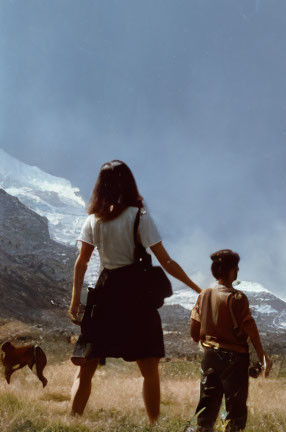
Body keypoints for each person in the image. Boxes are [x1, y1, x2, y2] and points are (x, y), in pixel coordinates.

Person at [68, 160, 201, 423]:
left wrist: (74, 302)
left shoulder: (93, 220)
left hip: (105, 295)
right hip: (135, 296)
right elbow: (167, 262)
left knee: (86, 366)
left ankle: (71, 422)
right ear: (129, 183)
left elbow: (81, 263)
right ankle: (153, 425)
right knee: (149, 367)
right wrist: (198, 289)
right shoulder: (139, 217)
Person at [189, 249, 270, 431]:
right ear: (233, 271)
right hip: (235, 360)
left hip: (209, 357)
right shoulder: (238, 298)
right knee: (235, 413)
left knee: (205, 411)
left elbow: (194, 333)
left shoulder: (204, 295)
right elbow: (251, 329)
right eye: (236, 268)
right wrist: (262, 356)